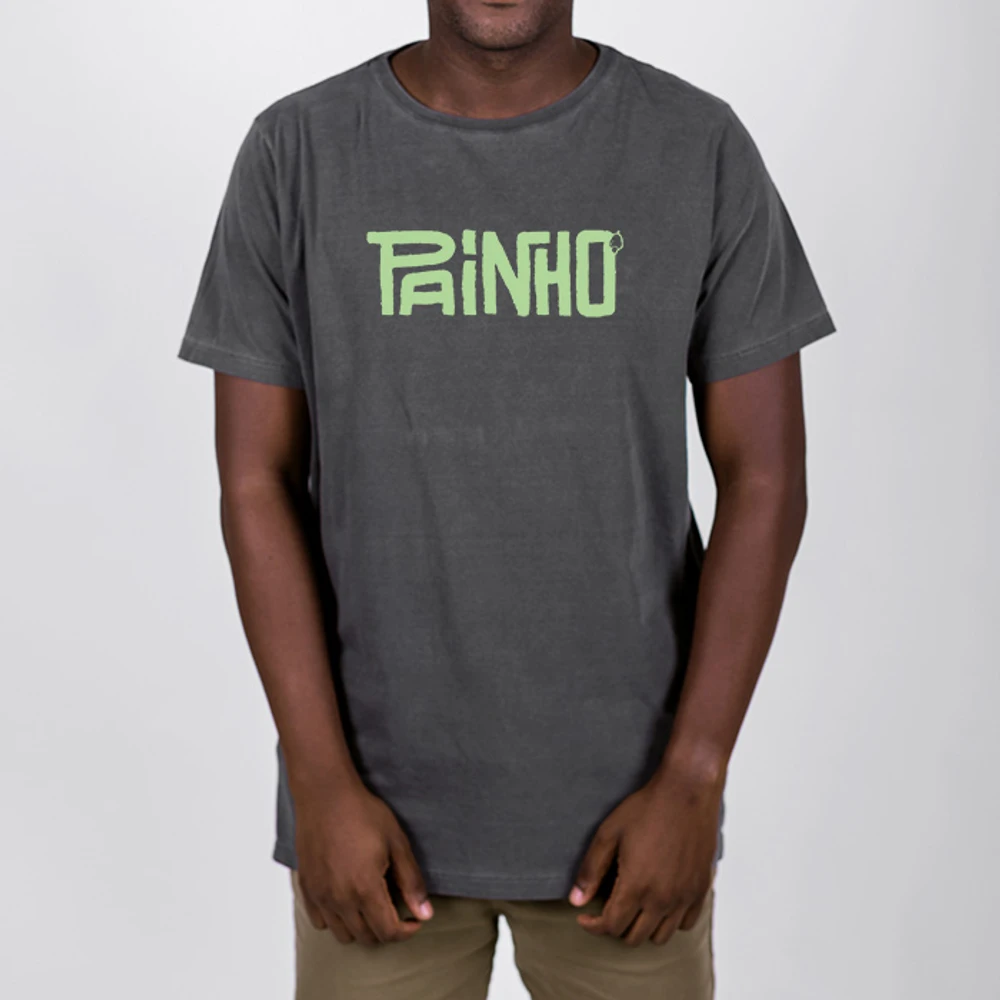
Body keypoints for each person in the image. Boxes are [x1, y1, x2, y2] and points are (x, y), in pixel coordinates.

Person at [177, 1, 836, 996]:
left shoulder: (695, 144)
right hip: (372, 831)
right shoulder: (296, 151)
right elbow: (253, 480)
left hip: (632, 832)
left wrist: (693, 776)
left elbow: (766, 476)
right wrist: (319, 784)